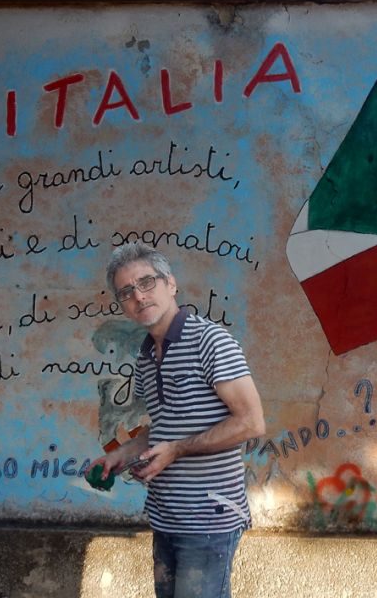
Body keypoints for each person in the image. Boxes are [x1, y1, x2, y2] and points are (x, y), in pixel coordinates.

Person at [94, 243, 265, 598]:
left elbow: (251, 423)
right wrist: (121, 455)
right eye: (126, 292)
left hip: (208, 521)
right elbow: (165, 427)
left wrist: (177, 450)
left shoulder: (210, 341)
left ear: (170, 284)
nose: (138, 296)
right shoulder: (145, 357)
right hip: (166, 517)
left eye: (146, 282)